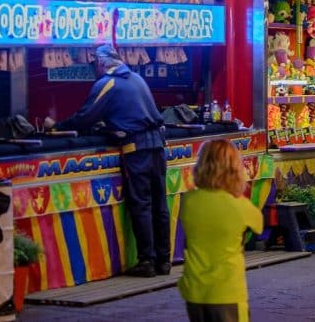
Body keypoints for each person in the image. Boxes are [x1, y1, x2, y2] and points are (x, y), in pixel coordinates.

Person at [44, 44, 169, 277]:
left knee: (141, 204)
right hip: (158, 147)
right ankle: (164, 260)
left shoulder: (107, 83)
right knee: (159, 203)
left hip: (137, 148)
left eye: (94, 64)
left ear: (100, 63)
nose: (95, 69)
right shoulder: (137, 79)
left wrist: (56, 127)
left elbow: (85, 117)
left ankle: (147, 261)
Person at [178, 139, 263, 322]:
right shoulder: (239, 205)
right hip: (227, 292)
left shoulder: (189, 201)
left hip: (195, 291)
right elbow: (258, 224)